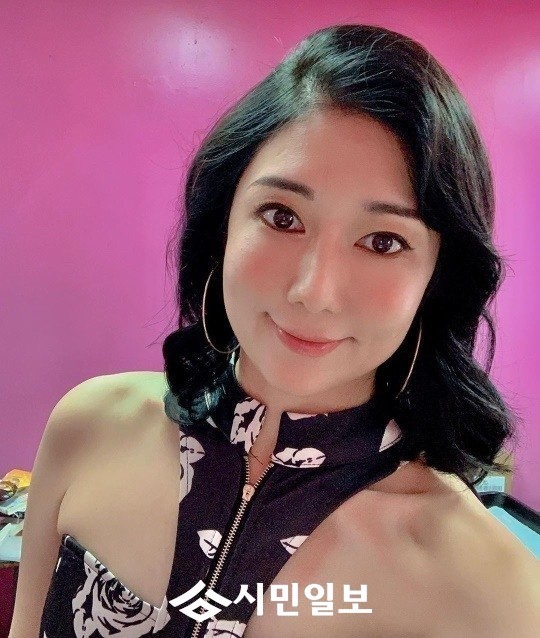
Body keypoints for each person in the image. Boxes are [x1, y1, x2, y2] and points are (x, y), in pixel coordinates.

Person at [10, 23, 539, 638]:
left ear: (435, 280)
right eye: (282, 216)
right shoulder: (88, 427)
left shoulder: (490, 589)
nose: (314, 291)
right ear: (223, 226)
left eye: (383, 241)